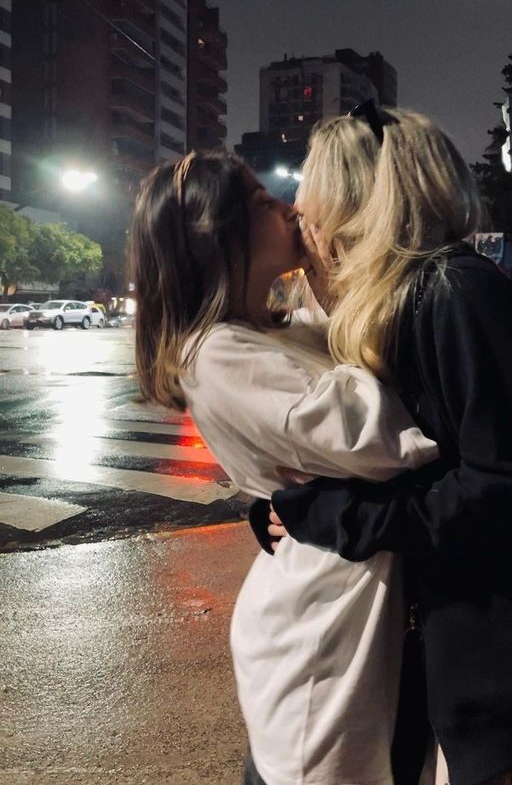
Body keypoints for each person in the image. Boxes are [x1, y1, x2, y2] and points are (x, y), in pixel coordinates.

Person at [261, 103, 512, 785]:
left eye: (312, 185)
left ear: (358, 197)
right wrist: (303, 511)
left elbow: (506, 486)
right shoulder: (408, 299)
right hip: (477, 671)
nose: (298, 203)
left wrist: (338, 516)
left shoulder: (454, 292)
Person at [129, 151, 440, 785]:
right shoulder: (216, 352)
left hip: (354, 604)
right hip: (319, 634)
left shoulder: (279, 330)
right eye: (260, 199)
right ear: (215, 234)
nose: (289, 206)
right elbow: (377, 437)